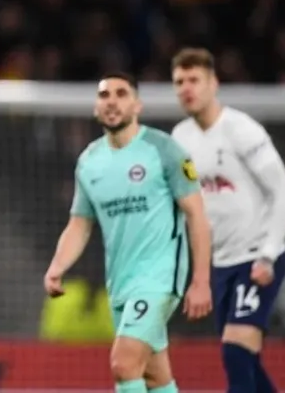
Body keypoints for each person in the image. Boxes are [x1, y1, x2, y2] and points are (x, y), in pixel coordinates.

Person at [43, 72, 213, 393]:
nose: (112, 101)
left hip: (160, 278)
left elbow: (197, 216)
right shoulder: (89, 162)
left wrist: (201, 281)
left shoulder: (164, 150)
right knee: (155, 377)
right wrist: (57, 266)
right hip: (120, 283)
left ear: (137, 105)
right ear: (96, 108)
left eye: (121, 94)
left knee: (123, 364)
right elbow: (80, 224)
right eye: (104, 95)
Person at [170, 48, 285, 393]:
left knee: (236, 353)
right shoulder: (180, 139)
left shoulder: (242, 130)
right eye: (179, 82)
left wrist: (269, 254)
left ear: (214, 83)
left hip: (256, 258)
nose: (186, 88)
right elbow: (188, 206)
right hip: (221, 264)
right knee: (246, 362)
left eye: (194, 80)